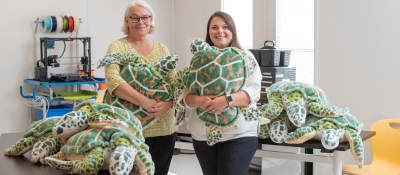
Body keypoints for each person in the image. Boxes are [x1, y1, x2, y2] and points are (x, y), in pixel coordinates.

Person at [184, 11, 262, 175]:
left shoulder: (245, 57)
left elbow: (254, 91)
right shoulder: (199, 59)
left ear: (232, 31)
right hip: (202, 133)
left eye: (225, 27)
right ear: (208, 32)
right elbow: (185, 97)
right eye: (214, 27)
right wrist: (200, 100)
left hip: (239, 134)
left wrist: (226, 101)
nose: (220, 31)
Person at [103, 1, 177, 174]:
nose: (140, 22)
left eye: (145, 17)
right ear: (127, 21)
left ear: (151, 20)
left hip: (164, 127)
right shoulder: (117, 47)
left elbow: (174, 83)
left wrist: (167, 104)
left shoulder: (162, 49)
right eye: (135, 18)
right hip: (129, 127)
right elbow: (113, 80)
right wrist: (145, 102)